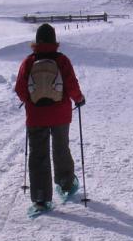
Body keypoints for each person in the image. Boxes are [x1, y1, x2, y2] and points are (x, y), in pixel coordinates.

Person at [15, 23, 85, 214]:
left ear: (36, 41)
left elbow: (20, 89)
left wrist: (30, 101)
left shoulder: (29, 61)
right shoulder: (62, 60)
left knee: (38, 155)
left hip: (36, 116)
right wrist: (79, 99)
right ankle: (65, 184)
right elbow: (71, 84)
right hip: (60, 114)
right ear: (54, 40)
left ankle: (40, 197)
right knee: (61, 147)